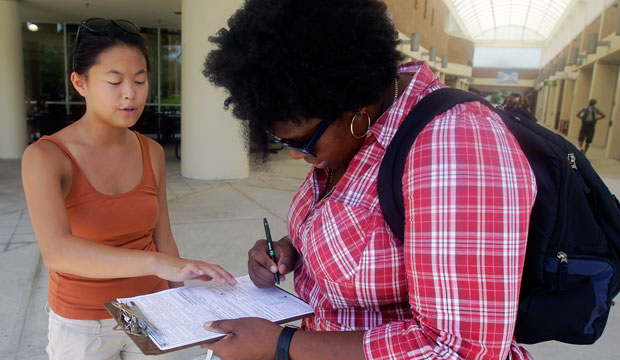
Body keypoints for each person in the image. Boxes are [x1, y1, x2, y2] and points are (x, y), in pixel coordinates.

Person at [201, 1, 537, 359]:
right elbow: (370, 233)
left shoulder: (457, 144)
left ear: (355, 105)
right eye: (281, 141)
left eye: (303, 141)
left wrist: (282, 346)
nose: (296, 155)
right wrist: (290, 250)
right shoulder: (355, 133)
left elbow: (462, 349)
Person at [21, 18, 236, 360]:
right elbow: (57, 252)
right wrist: (158, 263)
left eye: (139, 80)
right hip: (83, 322)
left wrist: (185, 305)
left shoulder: (150, 151)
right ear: (80, 83)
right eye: (114, 81)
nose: (130, 94)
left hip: (145, 310)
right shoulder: (46, 157)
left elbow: (163, 237)